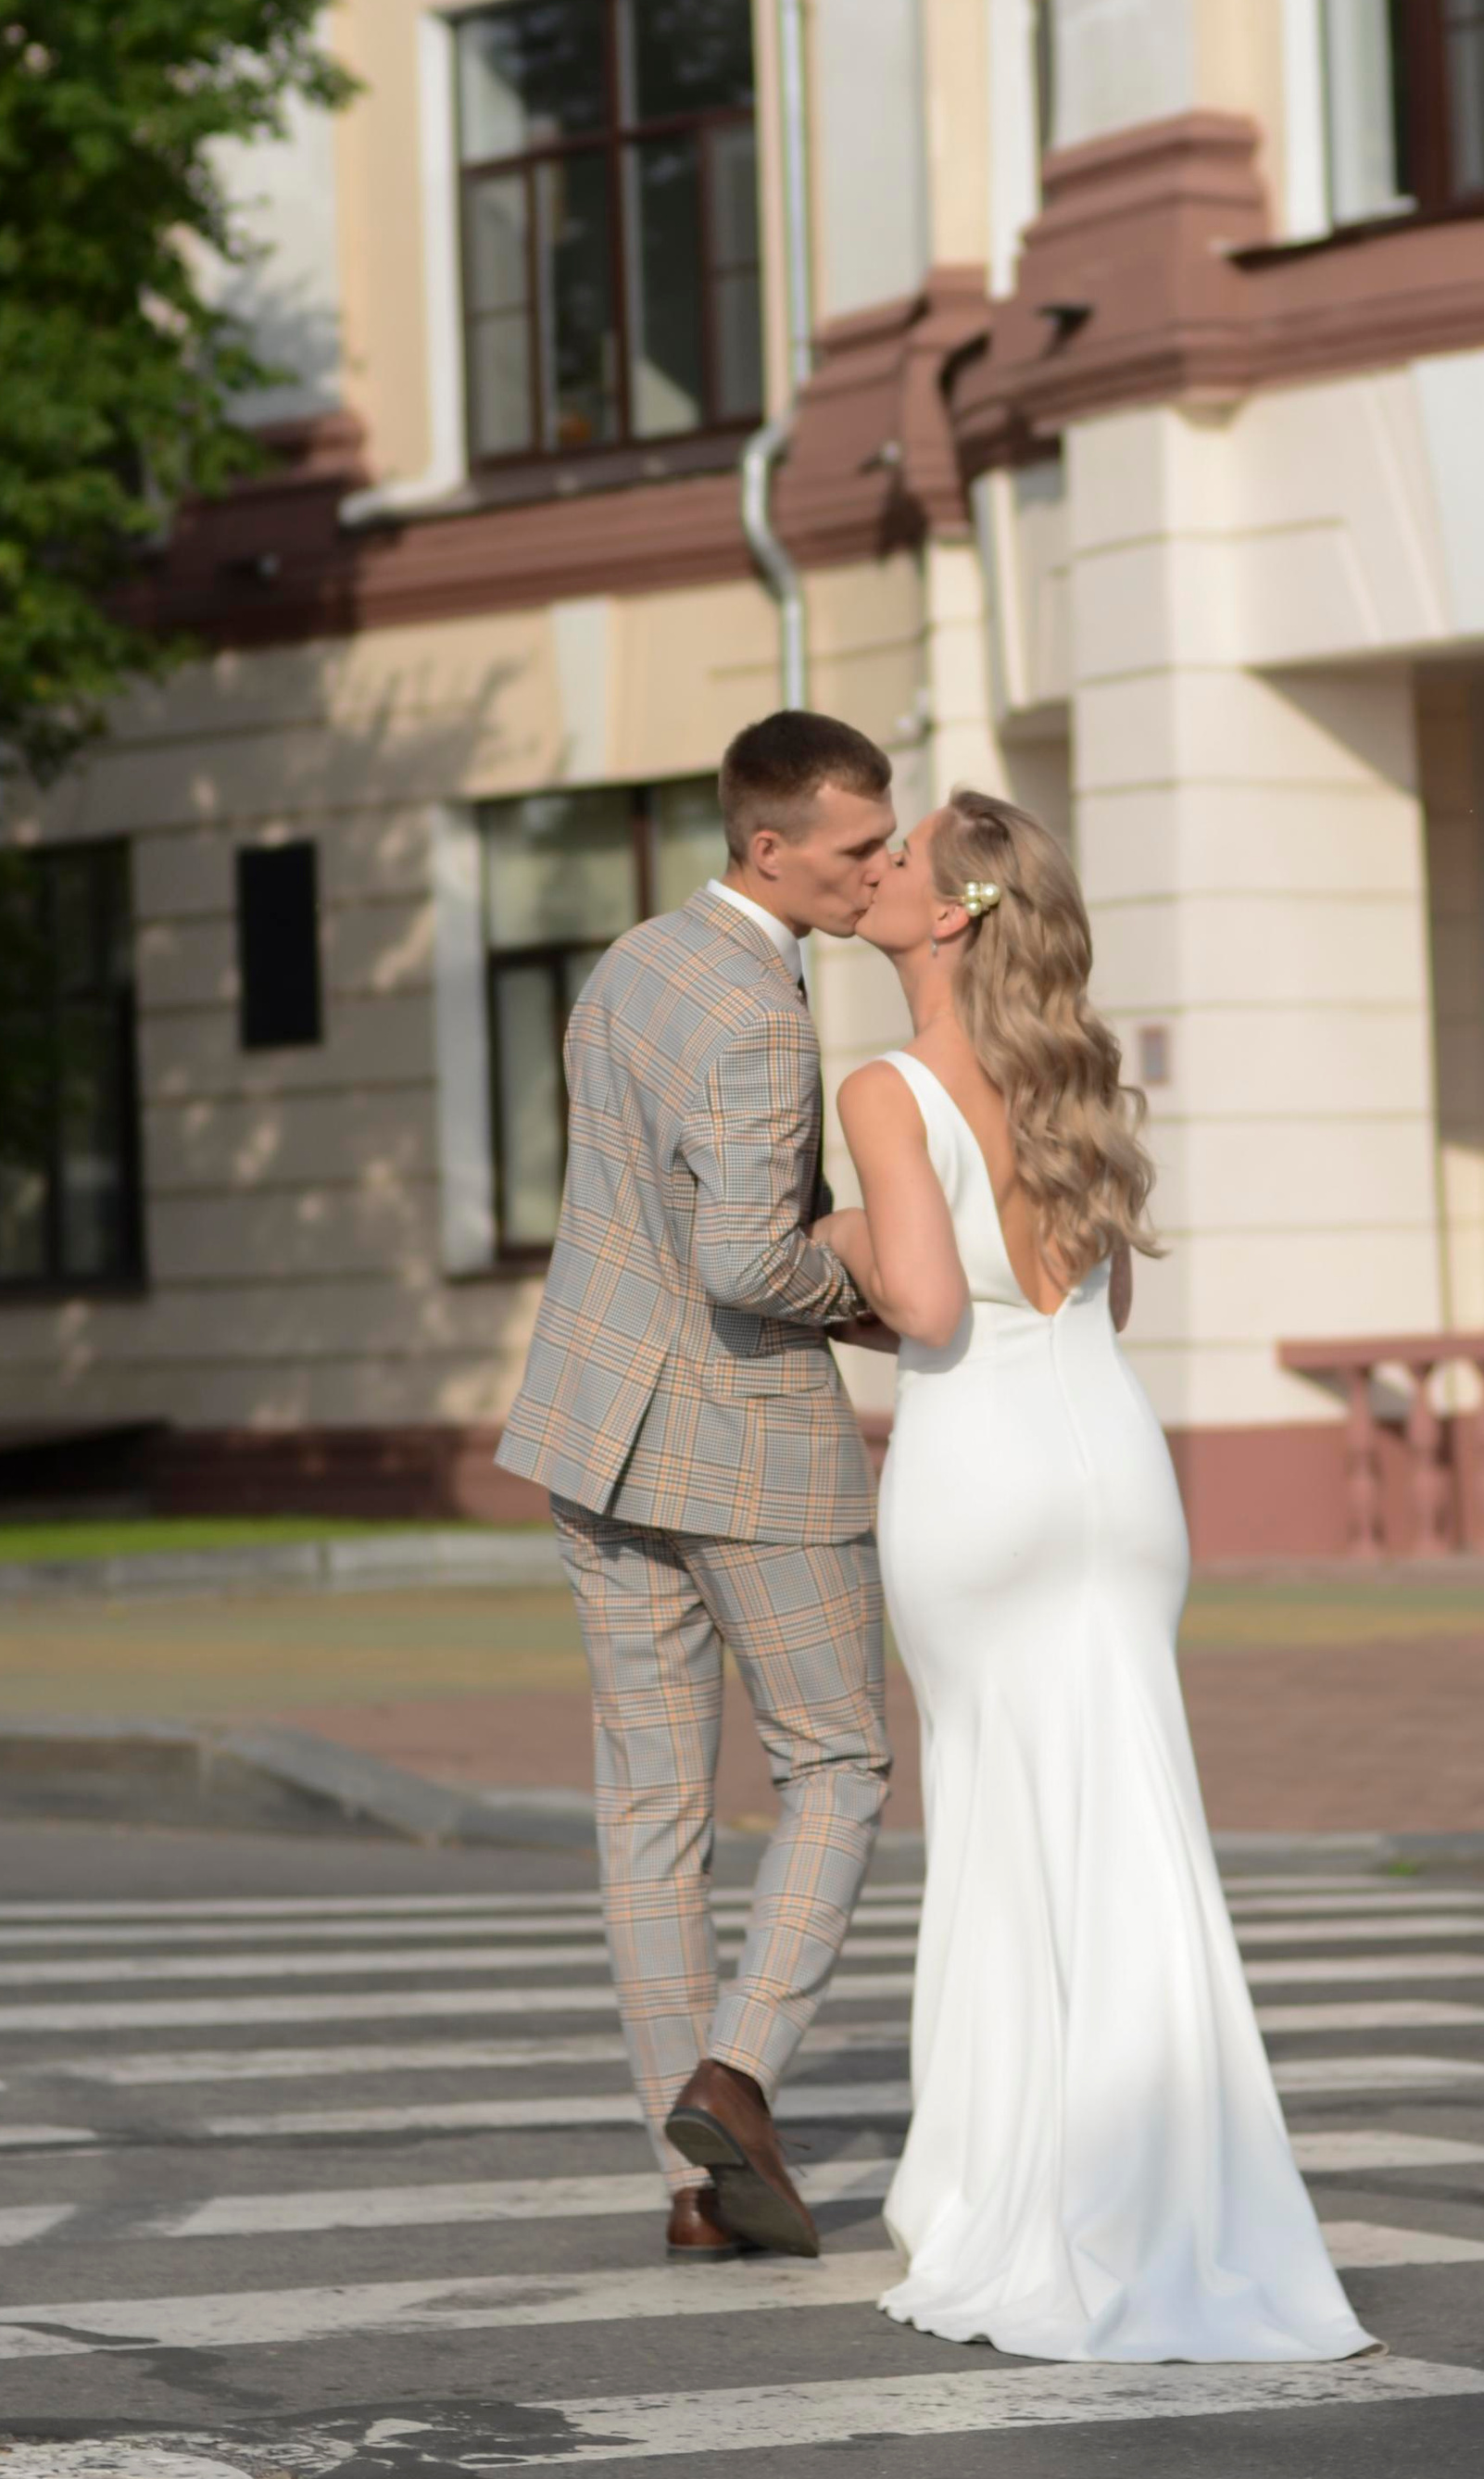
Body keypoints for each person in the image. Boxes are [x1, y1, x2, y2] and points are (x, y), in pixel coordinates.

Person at [815, 788, 1376, 2363]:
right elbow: (1098, 1301)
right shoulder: (1068, 1074)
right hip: (1116, 1473)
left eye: (898, 856)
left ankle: (1016, 2189)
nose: (875, 868)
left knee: (1001, 1827)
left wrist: (831, 1234)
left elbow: (926, 1303)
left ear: (946, 915)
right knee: (1133, 1826)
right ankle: (1169, 2186)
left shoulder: (886, 1085)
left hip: (980, 1474)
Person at [497, 709, 899, 2263]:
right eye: (857, 846)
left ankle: (688, 2179)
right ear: (769, 845)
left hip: (593, 1428)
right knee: (839, 1764)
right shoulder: (759, 1011)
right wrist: (857, 1281)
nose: (876, 867)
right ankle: (734, 2079)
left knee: (653, 1806)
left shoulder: (629, 961)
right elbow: (743, 1255)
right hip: (741, 1440)